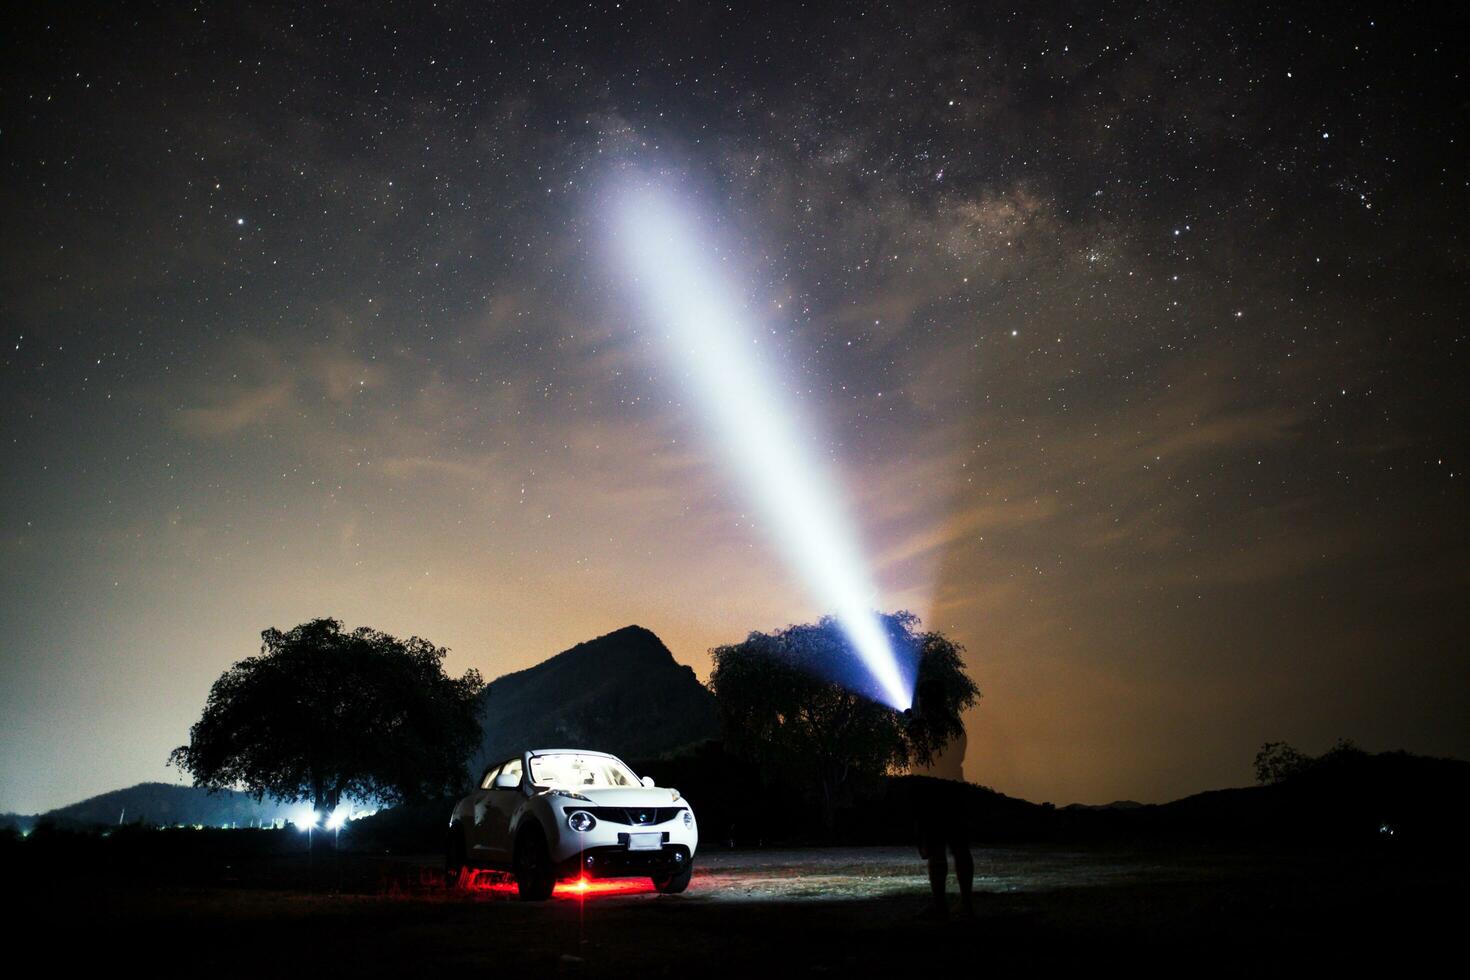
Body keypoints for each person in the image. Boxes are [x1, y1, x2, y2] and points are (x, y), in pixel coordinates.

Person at [905, 677, 974, 920]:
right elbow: (959, 756)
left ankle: (940, 904)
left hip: (932, 795)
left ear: (926, 701)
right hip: (954, 792)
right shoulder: (955, 726)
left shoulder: (921, 727)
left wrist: (913, 727)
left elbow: (917, 757)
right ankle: (965, 903)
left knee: (936, 852)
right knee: (959, 849)